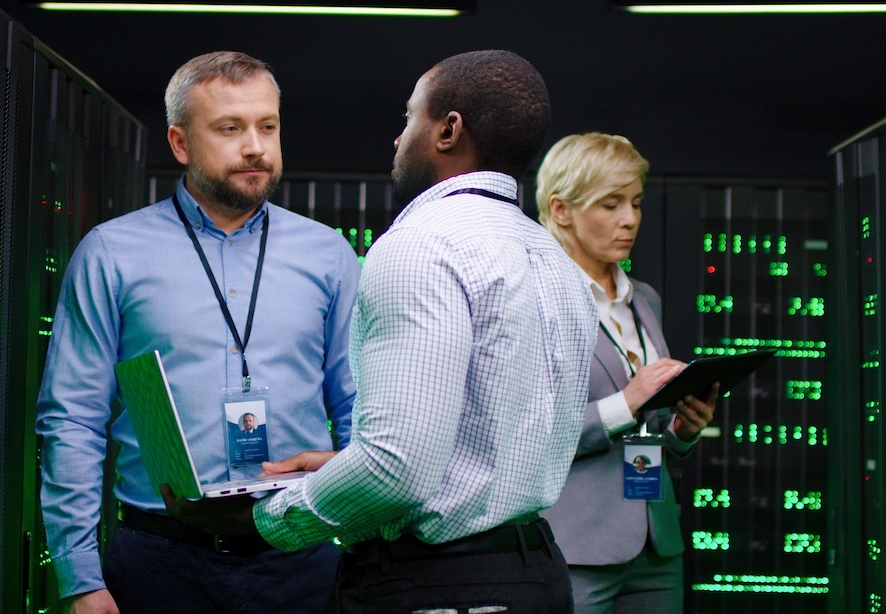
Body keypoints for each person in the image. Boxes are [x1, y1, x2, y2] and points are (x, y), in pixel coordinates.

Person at [161, 49, 598, 613]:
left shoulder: (419, 245)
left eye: (408, 118)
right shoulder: (552, 256)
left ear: (448, 131)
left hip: (436, 586)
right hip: (536, 575)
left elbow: (399, 472)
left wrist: (263, 519)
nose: (397, 140)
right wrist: (347, 464)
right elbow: (489, 443)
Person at [36, 51, 362, 614]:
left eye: (268, 126)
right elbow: (72, 420)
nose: (255, 146)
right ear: (181, 143)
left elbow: (360, 405)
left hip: (299, 560)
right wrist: (80, 579)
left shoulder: (329, 255)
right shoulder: (113, 253)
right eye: (230, 128)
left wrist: (363, 538)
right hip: (158, 560)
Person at [535, 132, 718, 614]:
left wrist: (682, 429)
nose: (630, 219)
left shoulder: (645, 298)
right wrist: (629, 400)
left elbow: (652, 430)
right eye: (611, 204)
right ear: (561, 210)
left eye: (635, 202)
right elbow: (533, 434)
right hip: (576, 546)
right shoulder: (537, 302)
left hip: (657, 542)